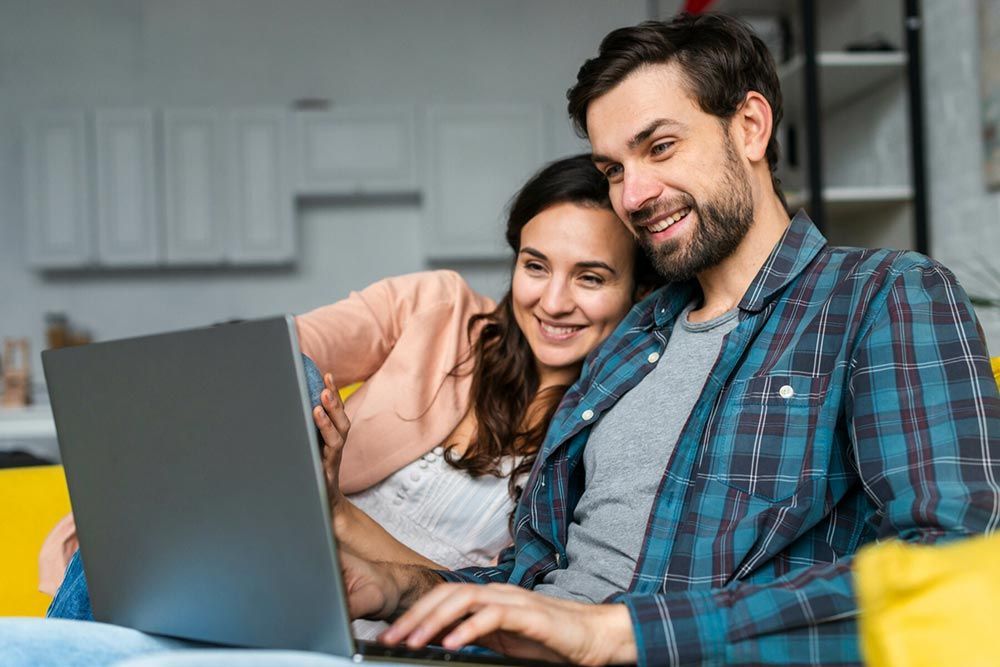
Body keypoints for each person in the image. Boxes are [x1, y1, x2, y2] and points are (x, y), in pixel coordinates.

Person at [5, 13, 999, 667]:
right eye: (614, 167)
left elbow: (955, 564)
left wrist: (614, 631)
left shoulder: (881, 297)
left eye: (658, 148)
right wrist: (398, 585)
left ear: (749, 124)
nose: (636, 191)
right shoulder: (639, 337)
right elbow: (532, 569)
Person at [37, 154, 661, 636]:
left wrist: (334, 512)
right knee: (284, 370)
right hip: (276, 555)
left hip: (389, 612)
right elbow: (266, 357)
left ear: (637, 291)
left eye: (591, 277)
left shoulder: (611, 428)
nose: (552, 301)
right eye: (535, 265)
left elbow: (511, 592)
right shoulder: (439, 309)